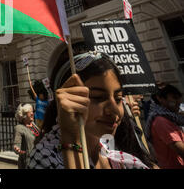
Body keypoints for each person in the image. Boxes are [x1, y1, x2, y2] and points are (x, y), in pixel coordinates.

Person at [29, 51, 157, 169]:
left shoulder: (120, 144)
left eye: (118, 98)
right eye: (97, 97)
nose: (115, 110)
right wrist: (71, 138)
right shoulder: (45, 158)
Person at [145, 84, 184, 169]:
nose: (178, 101)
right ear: (161, 99)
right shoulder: (161, 121)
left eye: (178, 97)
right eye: (174, 97)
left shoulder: (173, 118)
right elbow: (180, 149)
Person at [13, 103, 40, 169]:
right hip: (28, 163)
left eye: (32, 111)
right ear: (24, 115)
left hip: (39, 160)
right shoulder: (19, 128)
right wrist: (17, 148)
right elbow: (17, 143)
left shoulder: (33, 125)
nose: (32, 113)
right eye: (30, 112)